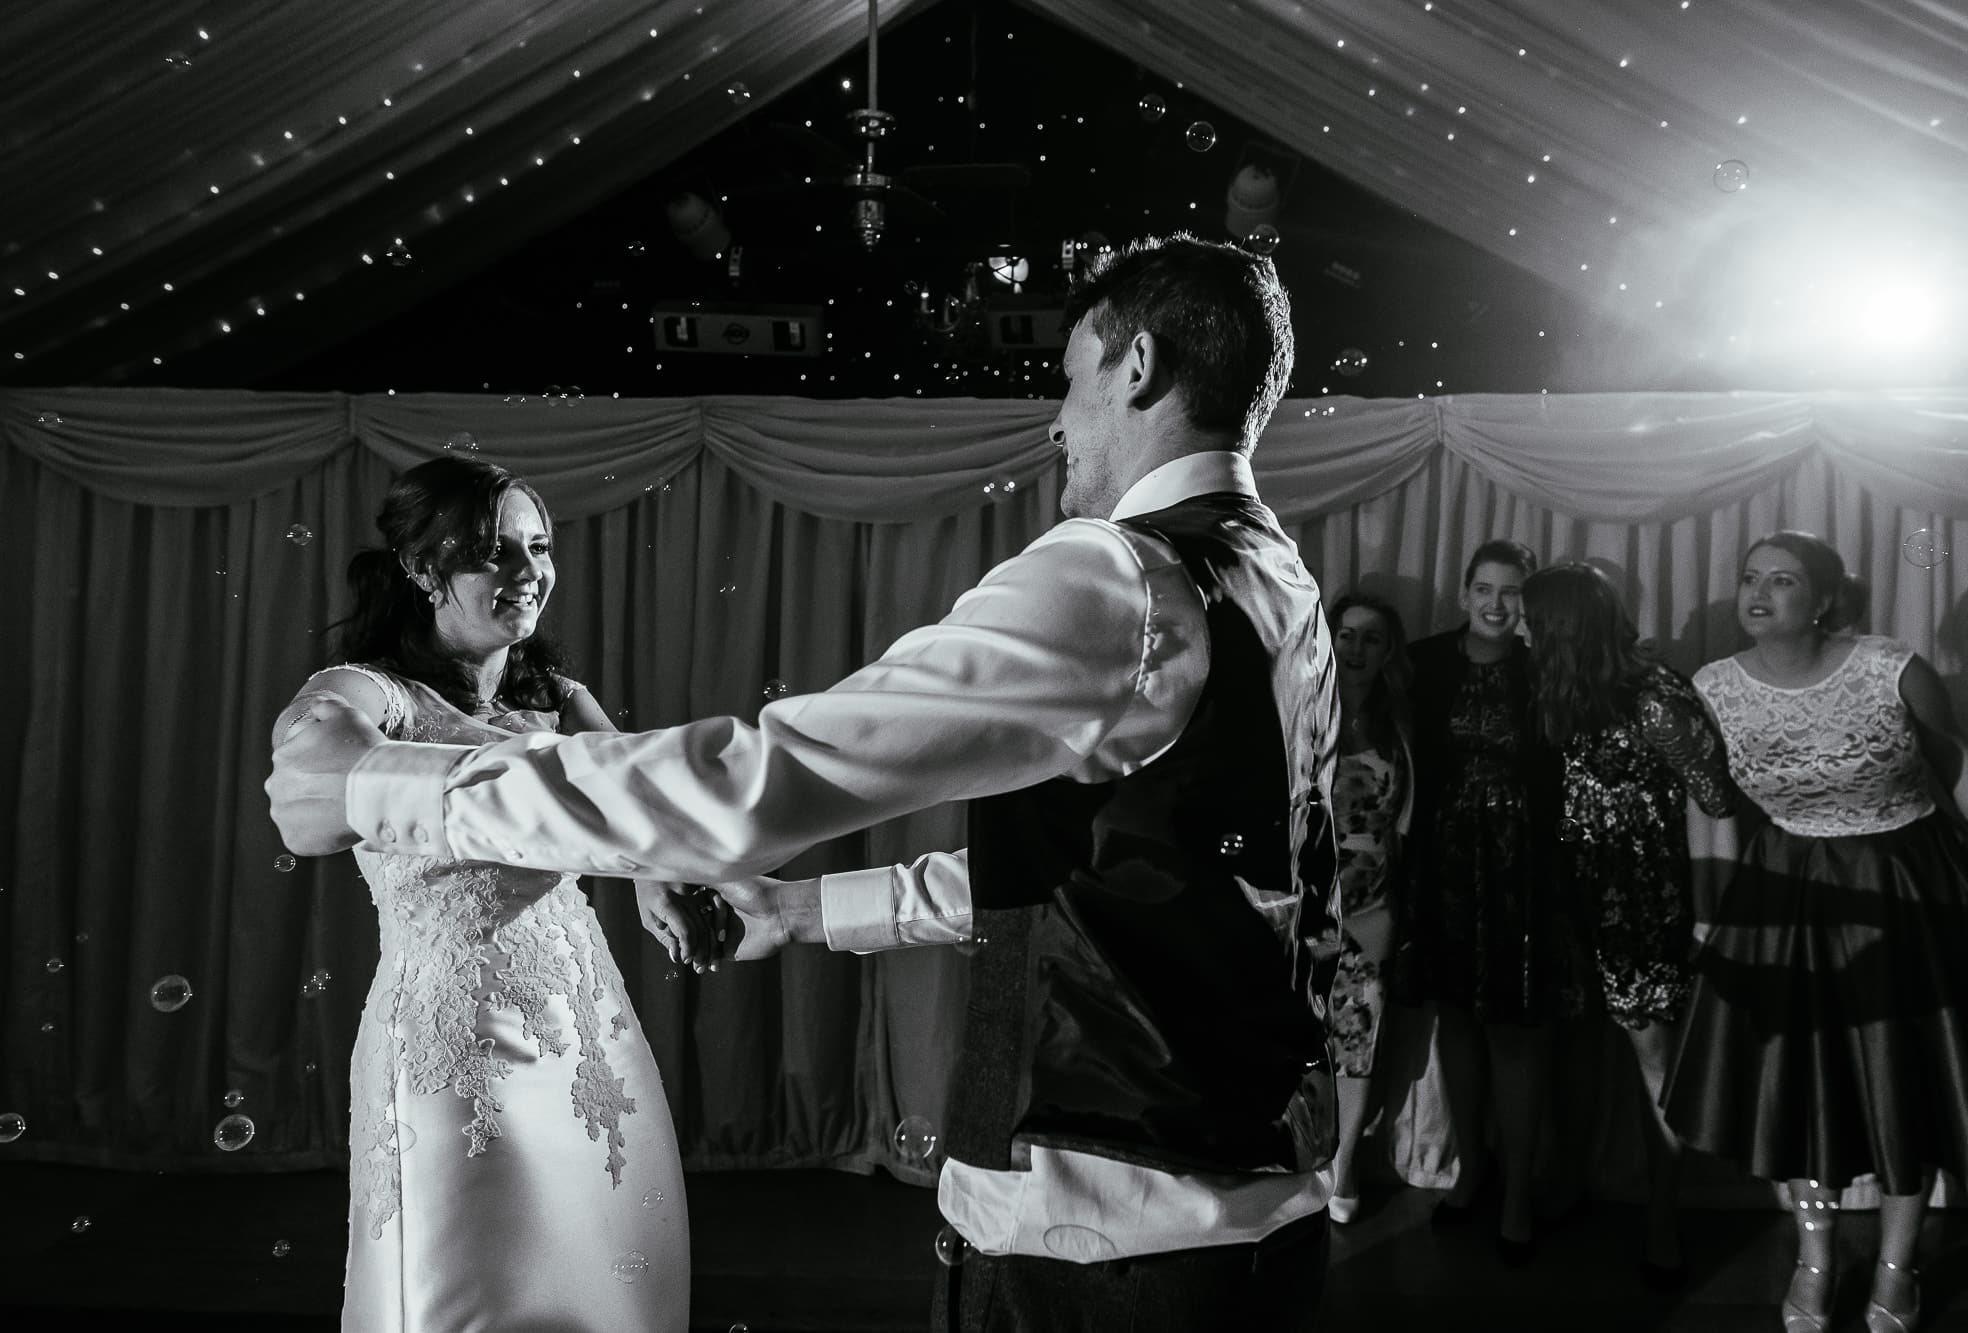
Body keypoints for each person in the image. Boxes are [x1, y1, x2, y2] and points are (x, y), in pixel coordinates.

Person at [268, 234, 1342, 1332]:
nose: (1055, 421)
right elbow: (1118, 875)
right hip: (1246, 1213)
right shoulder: (1276, 582)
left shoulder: (1115, 573)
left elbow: (757, 787)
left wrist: (386, 792)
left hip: (1105, 1240)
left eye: (1066, 381)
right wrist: (804, 911)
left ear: (1137, 366)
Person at [268, 456, 709, 1332]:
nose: (526, 572)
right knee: (478, 1283)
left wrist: (664, 877)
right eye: (490, 552)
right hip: (454, 1041)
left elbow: (638, 811)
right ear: (423, 569)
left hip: (588, 1032)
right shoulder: (372, 690)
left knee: (608, 1277)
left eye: (536, 547)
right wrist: (511, 769)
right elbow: (309, 771)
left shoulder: (555, 696)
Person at [1662, 531, 1968, 1333]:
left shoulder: (1891, 666)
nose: (1758, 593)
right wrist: (1709, 915)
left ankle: (1895, 1264)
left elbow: (1951, 758)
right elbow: (1708, 808)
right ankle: (1814, 1257)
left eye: (1781, 581)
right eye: (1749, 578)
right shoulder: (1711, 687)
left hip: (1903, 884)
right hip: (1784, 893)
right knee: (1796, 1088)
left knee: (1902, 1082)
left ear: (1821, 599)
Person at [1520, 562, 1740, 1283]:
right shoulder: (1558, 690)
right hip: (1565, 897)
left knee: (1654, 1068)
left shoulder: (1654, 697)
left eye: (1531, 619)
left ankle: (1661, 1216)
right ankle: (1571, 1182)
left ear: (1559, 628)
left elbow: (1714, 796)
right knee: (1571, 1048)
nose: (1520, 629)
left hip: (1641, 903)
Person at [1399, 538, 1562, 1263]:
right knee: (1456, 1021)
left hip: (1523, 869)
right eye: (1485, 589)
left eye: (1512, 591)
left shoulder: (1544, 670)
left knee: (1515, 1030)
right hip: (1440, 862)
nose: (1497, 604)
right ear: (1463, 593)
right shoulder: (1426, 661)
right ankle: (1468, 1168)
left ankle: (1519, 1189)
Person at [1319, 591, 1414, 1223]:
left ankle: (1345, 1165)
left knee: (1358, 1047)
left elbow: (1406, 827)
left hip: (1371, 909)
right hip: (1302, 908)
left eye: (1370, 638)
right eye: (1345, 634)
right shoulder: (1304, 709)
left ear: (1387, 653)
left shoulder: (1399, 724)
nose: (1355, 648)